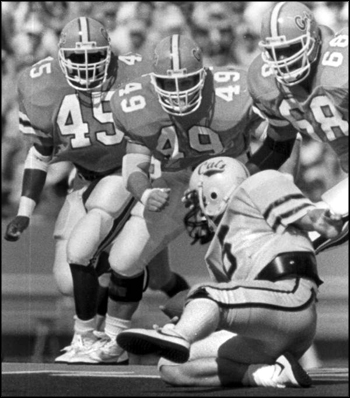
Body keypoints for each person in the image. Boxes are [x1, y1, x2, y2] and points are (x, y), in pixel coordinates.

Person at [77, 33, 272, 363]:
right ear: (153, 80)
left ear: (204, 74)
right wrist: (145, 191)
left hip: (229, 177)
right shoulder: (134, 101)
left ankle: (254, 338)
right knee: (123, 260)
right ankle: (113, 339)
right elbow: (134, 163)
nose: (179, 92)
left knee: (242, 262)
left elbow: (277, 136)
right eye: (169, 83)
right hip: (175, 180)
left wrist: (252, 176)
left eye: (188, 81)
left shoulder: (235, 88)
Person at [4, 17, 188, 364]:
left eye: (94, 57)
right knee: (69, 281)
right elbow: (40, 152)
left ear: (109, 53)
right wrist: (24, 211)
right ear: (61, 57)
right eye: (77, 58)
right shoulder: (40, 86)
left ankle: (99, 336)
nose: (87, 67)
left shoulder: (136, 73)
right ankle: (192, 309)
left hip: (131, 171)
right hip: (84, 178)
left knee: (99, 253)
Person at [115, 156, 344, 388]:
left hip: (290, 297)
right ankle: (266, 375)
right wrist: (181, 317)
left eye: (196, 197)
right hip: (264, 332)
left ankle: (177, 336)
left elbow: (306, 213)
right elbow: (231, 305)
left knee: (205, 293)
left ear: (213, 191)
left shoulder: (256, 186)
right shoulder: (218, 250)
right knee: (171, 365)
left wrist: (319, 221)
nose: (196, 209)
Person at [245, 2, 348, 254]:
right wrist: (237, 181)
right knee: (302, 237)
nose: (283, 61)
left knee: (299, 243)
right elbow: (279, 144)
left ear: (313, 41)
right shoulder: (267, 83)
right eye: (275, 52)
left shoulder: (341, 71)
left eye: (289, 50)